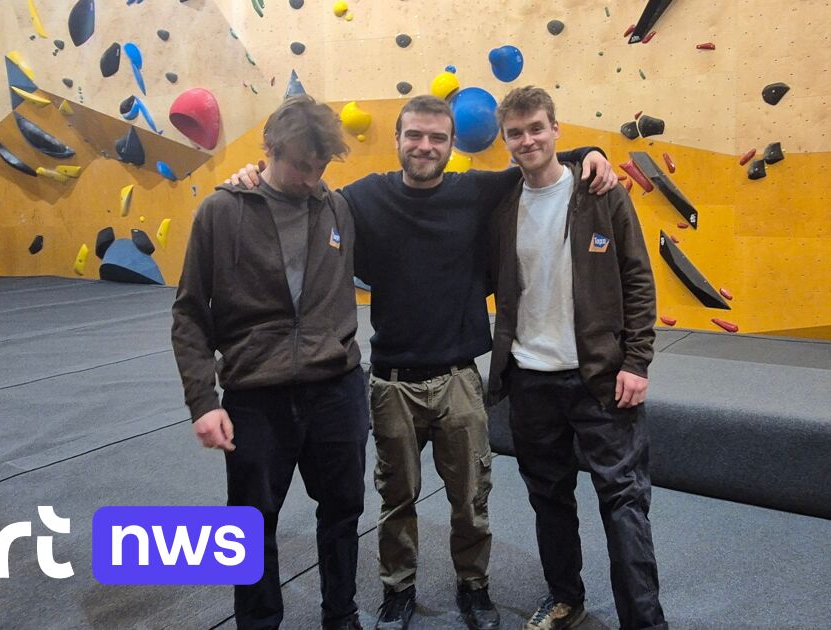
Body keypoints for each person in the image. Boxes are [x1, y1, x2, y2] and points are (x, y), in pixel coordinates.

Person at [229, 94, 618, 630]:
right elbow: (301, 190)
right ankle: (398, 588)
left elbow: (537, 157)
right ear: (397, 139)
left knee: (471, 499)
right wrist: (252, 174)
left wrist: (591, 152)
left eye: (437, 138)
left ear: (453, 145)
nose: (425, 146)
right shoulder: (363, 198)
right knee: (395, 499)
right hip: (392, 381)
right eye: (414, 135)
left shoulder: (474, 190)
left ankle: (474, 587)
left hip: (459, 378)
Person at [172, 95, 369, 630]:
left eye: (320, 166)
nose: (310, 178)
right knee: (251, 523)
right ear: (270, 150)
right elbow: (189, 313)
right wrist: (202, 402)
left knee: (343, 512)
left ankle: (341, 615)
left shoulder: (336, 207)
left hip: (336, 389)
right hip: (256, 393)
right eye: (300, 165)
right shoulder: (221, 211)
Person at [486, 86, 666, 630]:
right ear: (505, 139)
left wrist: (637, 361)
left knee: (624, 503)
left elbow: (638, 279)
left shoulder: (600, 192)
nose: (527, 140)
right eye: (515, 133)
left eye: (536, 128)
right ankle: (565, 597)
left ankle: (644, 621)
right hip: (529, 378)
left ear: (556, 129)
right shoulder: (501, 204)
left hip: (601, 377)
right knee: (548, 499)